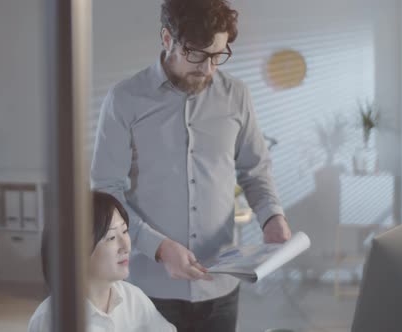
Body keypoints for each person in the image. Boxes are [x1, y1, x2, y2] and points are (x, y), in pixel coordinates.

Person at [90, 0, 292, 330]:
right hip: (150, 288)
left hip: (221, 284)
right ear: (167, 38)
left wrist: (272, 216)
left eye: (217, 55)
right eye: (197, 54)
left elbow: (255, 169)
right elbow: (106, 191)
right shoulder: (124, 99)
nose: (208, 68)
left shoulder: (237, 95)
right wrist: (159, 248)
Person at [28, 192, 176, 332]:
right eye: (111, 237)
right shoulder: (49, 319)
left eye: (125, 232)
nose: (126, 247)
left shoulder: (133, 299)